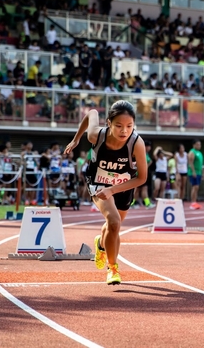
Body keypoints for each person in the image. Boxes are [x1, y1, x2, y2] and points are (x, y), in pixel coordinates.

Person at [64, 101, 148, 285]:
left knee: (113, 226)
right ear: (109, 123)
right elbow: (91, 113)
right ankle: (113, 268)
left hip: (124, 184)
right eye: (118, 126)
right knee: (114, 222)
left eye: (129, 126)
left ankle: (101, 244)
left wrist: (113, 189)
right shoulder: (96, 135)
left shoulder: (137, 143)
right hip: (98, 181)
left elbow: (142, 178)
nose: (124, 131)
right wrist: (76, 138)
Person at [188, 139, 203, 209]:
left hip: (199, 172)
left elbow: (201, 164)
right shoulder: (192, 152)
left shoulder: (200, 153)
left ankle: (195, 202)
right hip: (194, 172)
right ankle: (193, 203)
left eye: (200, 144)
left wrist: (202, 172)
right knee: (195, 187)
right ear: (194, 145)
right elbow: (190, 162)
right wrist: (193, 171)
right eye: (197, 144)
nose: (199, 146)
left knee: (197, 188)